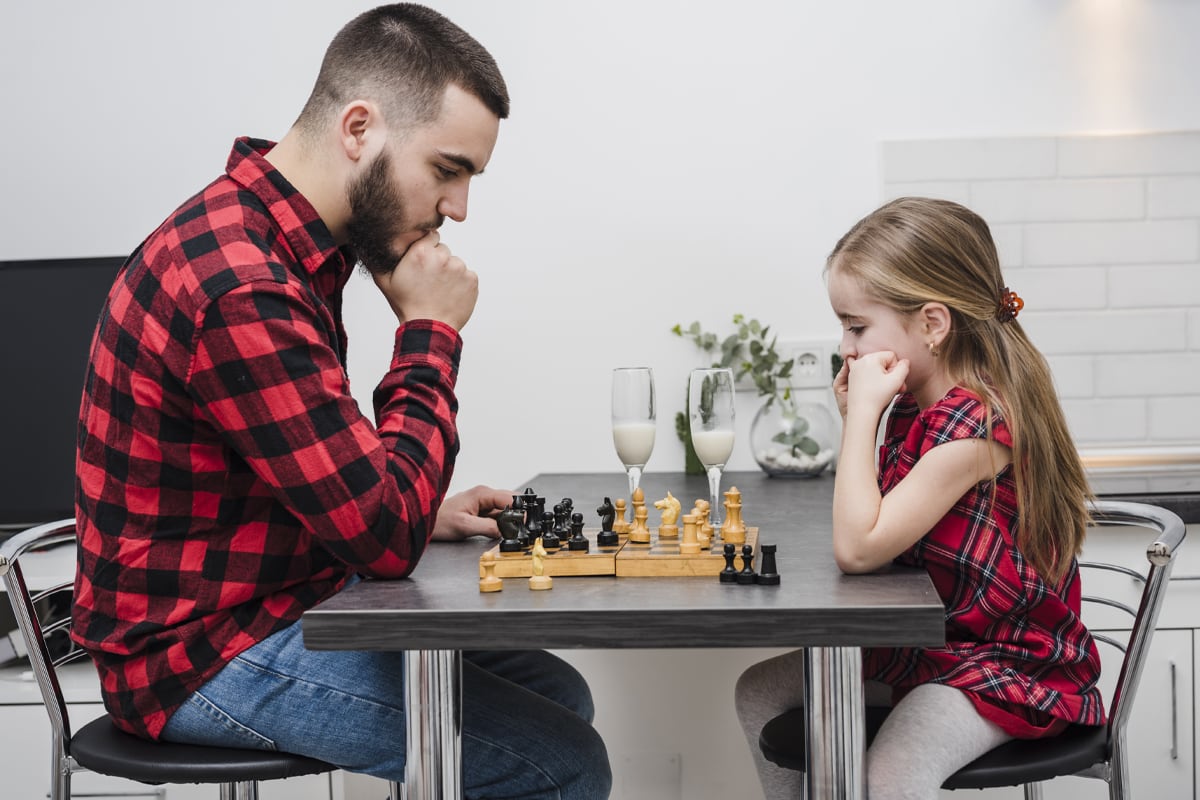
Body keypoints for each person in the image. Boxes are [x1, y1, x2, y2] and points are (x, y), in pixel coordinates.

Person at [71, 5, 612, 798]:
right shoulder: (243, 283)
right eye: (447, 169)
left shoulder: (278, 244)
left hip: (268, 599)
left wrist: (420, 512)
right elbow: (382, 544)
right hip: (199, 653)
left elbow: (328, 495)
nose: (458, 208)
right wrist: (430, 331)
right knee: (561, 764)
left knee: (558, 695)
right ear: (359, 128)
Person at [734, 197, 1105, 799]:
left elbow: (858, 549)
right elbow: (872, 538)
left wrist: (857, 421)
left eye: (856, 325)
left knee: (890, 775)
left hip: (1005, 668)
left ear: (933, 324)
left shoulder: (978, 428)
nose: (846, 346)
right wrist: (866, 414)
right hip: (936, 648)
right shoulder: (916, 408)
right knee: (760, 689)